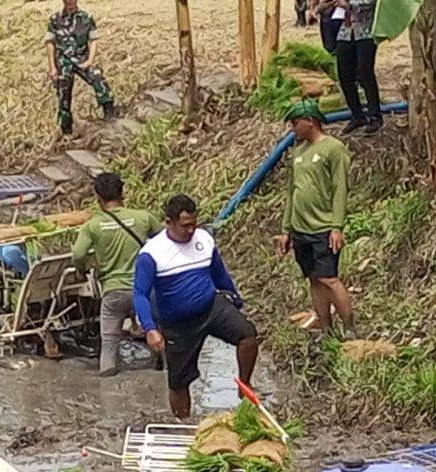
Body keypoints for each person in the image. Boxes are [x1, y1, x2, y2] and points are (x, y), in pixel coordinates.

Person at [134, 194, 258, 417]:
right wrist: (150, 329)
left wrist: (235, 299)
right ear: (168, 222)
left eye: (194, 224)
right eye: (185, 226)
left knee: (248, 336)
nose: (191, 230)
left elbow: (219, 272)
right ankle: (183, 424)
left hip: (211, 308)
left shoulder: (204, 239)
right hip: (177, 324)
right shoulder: (151, 253)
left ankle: (244, 386)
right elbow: (140, 294)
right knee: (179, 382)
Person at [274, 100, 355, 338]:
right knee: (314, 279)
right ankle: (326, 329)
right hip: (300, 228)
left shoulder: (333, 148)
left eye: (295, 123)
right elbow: (292, 191)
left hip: (323, 227)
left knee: (329, 278)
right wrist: (286, 229)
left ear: (310, 121)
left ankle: (350, 329)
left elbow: (340, 188)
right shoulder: (298, 152)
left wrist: (336, 226)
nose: (293, 129)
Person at [71, 172, 163, 376]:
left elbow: (78, 254)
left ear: (98, 198)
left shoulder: (92, 226)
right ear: (123, 192)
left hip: (114, 293)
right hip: (145, 292)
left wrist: (82, 270)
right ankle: (163, 372)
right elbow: (164, 240)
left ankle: (107, 393)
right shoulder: (143, 217)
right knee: (158, 337)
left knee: (110, 346)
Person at [45, 0, 116, 136]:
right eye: (67, 0)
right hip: (63, 61)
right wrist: (52, 67)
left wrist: (90, 60)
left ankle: (109, 109)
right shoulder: (55, 19)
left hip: (81, 58)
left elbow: (94, 39)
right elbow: (50, 43)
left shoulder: (86, 17)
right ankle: (66, 129)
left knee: (97, 77)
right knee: (63, 94)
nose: (70, 2)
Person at [335, 0, 383, 134]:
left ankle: (375, 116)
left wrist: (349, 4)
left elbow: (370, 3)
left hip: (365, 31)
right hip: (345, 31)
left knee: (365, 73)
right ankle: (357, 115)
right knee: (344, 74)